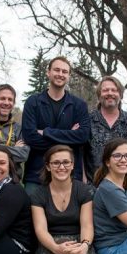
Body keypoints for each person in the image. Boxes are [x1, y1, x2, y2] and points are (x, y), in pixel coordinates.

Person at [21, 56, 90, 195]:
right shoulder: (33, 102)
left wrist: (46, 132)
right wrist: (69, 136)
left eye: (65, 71)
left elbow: (82, 136)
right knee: (32, 216)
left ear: (69, 76)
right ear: (48, 72)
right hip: (37, 174)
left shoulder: (79, 105)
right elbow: (30, 137)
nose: (60, 74)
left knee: (67, 217)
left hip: (69, 175)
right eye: (57, 70)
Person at [84, 76, 127, 185]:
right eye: (105, 90)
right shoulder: (87, 120)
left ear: (120, 94)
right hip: (94, 186)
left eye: (114, 90)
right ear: (99, 95)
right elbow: (80, 152)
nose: (110, 93)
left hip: (124, 186)